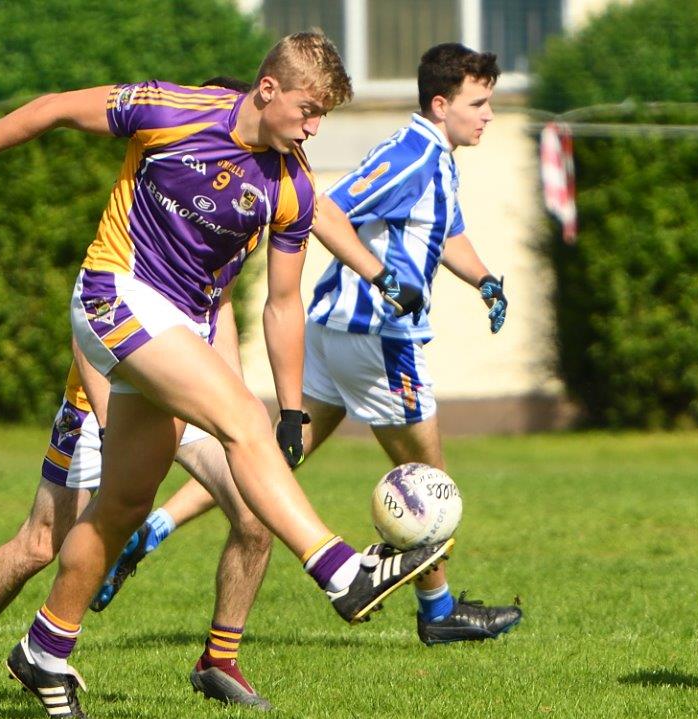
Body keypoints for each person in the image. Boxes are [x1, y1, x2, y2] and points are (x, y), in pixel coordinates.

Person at [0, 33, 449, 719]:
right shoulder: (169, 109)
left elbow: (284, 304)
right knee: (223, 430)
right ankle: (340, 569)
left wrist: (291, 412)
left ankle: (47, 647)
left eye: (324, 118)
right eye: (308, 112)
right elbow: (50, 109)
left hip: (173, 335)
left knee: (128, 504)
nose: (314, 130)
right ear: (268, 90)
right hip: (112, 293)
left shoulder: (290, 184)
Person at [90, 43, 523, 653]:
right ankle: (438, 608)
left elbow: (445, 232)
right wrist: (378, 275)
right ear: (442, 103)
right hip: (374, 335)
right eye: (479, 103)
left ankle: (152, 530)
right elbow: (327, 207)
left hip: (341, 332)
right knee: (429, 476)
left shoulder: (440, 159)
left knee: (267, 456)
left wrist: (484, 281)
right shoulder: (410, 155)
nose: (489, 115)